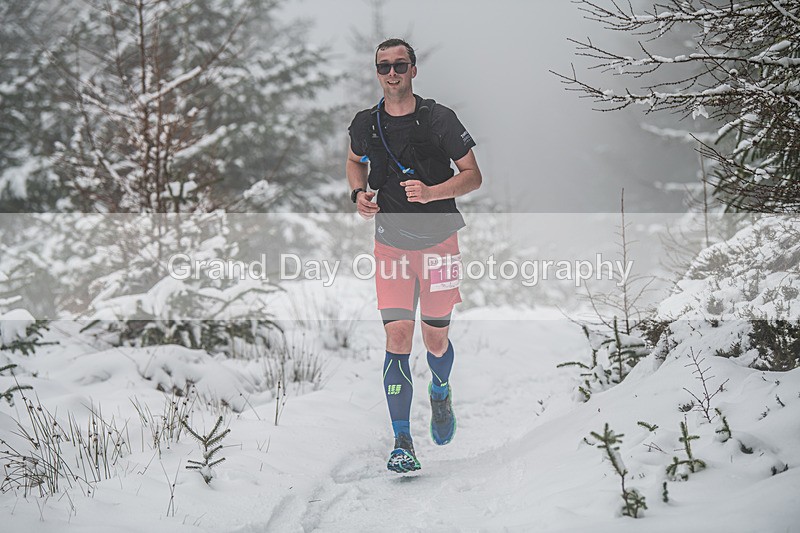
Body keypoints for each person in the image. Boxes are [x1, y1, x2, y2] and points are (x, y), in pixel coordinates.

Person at [346, 38, 483, 473]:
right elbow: (355, 162)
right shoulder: (366, 123)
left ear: (413, 70)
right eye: (383, 66)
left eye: (399, 65)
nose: (391, 73)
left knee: (435, 339)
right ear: (376, 71)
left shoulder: (439, 119)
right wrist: (358, 194)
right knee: (397, 338)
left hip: (440, 241)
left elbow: (473, 177)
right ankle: (402, 441)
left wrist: (431, 193)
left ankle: (440, 390)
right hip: (390, 245)